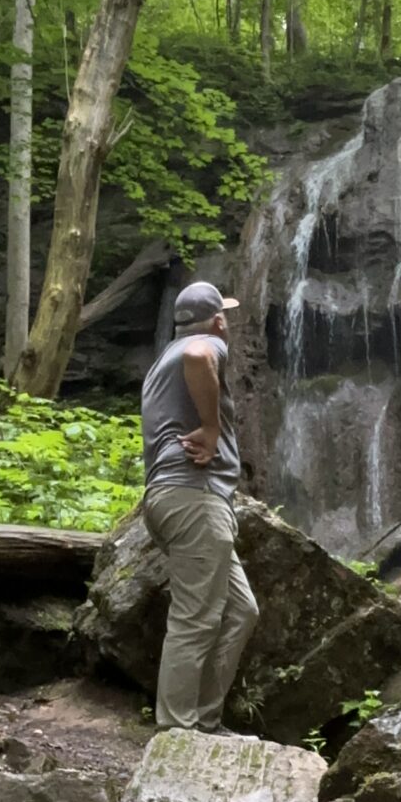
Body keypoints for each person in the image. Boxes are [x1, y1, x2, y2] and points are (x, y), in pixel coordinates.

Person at [139, 279, 259, 733]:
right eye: (224, 316)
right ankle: (176, 731)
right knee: (196, 618)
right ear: (218, 320)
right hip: (195, 498)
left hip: (174, 499)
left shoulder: (159, 362)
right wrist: (211, 427)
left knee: (241, 610)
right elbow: (199, 359)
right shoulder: (203, 344)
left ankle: (205, 721)